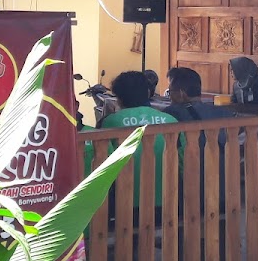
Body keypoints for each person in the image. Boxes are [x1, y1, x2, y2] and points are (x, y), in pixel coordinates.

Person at [97, 71, 178, 208]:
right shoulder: (171, 120)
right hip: (168, 202)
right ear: (148, 93)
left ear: (119, 98)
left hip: (125, 205)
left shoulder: (110, 122)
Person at [162, 67, 233, 122]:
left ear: (181, 93)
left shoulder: (171, 113)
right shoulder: (224, 112)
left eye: (170, 92)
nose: (169, 96)